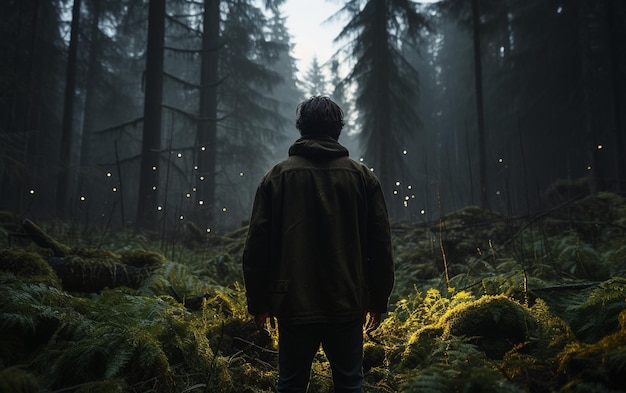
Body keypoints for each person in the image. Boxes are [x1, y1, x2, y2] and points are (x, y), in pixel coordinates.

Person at [242, 95, 395, 393]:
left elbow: (256, 248)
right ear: (337, 128)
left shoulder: (276, 178)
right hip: (346, 300)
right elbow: (381, 246)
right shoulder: (363, 178)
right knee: (350, 383)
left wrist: (259, 302)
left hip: (292, 302)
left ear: (302, 128)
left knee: (290, 384)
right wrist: (378, 299)